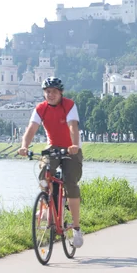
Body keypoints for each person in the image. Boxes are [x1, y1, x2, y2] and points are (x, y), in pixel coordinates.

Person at [18, 76, 84, 248]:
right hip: (53, 147)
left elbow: (72, 127)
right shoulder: (40, 108)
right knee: (44, 171)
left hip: (71, 148)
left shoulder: (69, 105)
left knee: (70, 183)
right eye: (48, 92)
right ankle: (49, 205)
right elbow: (31, 128)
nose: (51, 94)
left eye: (54, 91)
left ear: (60, 93)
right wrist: (24, 146)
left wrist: (74, 145)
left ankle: (76, 228)